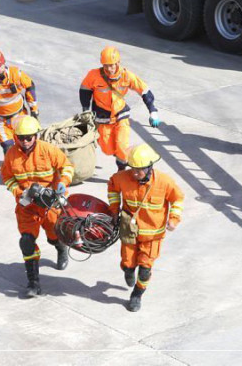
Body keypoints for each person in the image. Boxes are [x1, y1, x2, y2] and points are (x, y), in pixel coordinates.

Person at [0, 115, 75, 297]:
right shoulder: (11, 154)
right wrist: (18, 193)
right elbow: (7, 177)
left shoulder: (49, 150)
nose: (25, 141)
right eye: (21, 138)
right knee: (26, 242)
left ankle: (60, 247)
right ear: (16, 137)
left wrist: (63, 182)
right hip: (27, 206)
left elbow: (67, 166)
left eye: (29, 137)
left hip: (50, 206)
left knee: (54, 236)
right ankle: (33, 282)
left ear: (36, 135)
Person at [107, 144, 184, 312]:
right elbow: (112, 188)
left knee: (145, 270)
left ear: (150, 167)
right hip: (129, 231)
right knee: (128, 263)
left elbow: (177, 199)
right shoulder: (121, 178)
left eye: (139, 170)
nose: (135, 173)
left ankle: (137, 295)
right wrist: (114, 209)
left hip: (152, 236)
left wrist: (174, 219)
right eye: (133, 169)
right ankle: (128, 271)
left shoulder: (164, 182)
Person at [80, 46, 161, 171]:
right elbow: (85, 90)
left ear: (118, 63)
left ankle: (121, 170)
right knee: (107, 149)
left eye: (112, 65)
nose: (109, 68)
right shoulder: (93, 75)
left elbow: (144, 90)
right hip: (103, 117)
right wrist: (85, 110)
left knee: (122, 145)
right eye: (106, 65)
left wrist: (153, 110)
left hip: (120, 115)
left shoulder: (126, 75)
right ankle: (120, 154)